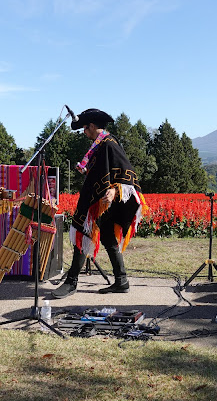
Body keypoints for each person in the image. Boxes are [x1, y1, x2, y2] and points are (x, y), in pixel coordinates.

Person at [52, 108, 147, 298]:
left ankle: (71, 282)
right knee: (107, 237)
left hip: (103, 200)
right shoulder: (99, 144)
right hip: (99, 199)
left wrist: (114, 189)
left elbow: (126, 171)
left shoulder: (109, 143)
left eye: (85, 129)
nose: (84, 133)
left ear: (93, 126)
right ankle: (121, 281)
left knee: (83, 231)